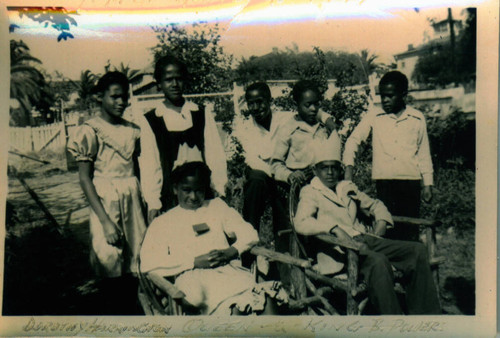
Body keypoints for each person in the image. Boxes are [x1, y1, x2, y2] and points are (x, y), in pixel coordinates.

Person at [294, 137, 441, 315]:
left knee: (417, 250)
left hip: (367, 239)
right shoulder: (310, 192)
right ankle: (393, 323)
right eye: (325, 167)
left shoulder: (346, 187)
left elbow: (376, 205)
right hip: (341, 251)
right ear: (315, 170)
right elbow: (301, 221)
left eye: (334, 167)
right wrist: (334, 228)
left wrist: (381, 223)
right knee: (378, 262)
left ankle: (426, 317)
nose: (331, 172)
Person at [140, 160, 288, 315]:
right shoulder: (163, 221)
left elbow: (249, 233)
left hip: (227, 272)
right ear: (175, 189)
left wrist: (231, 251)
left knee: (266, 301)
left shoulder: (216, 207)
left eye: (199, 190)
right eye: (187, 190)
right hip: (194, 280)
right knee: (234, 309)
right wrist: (193, 262)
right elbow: (149, 263)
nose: (193, 196)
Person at [67, 71, 147, 281]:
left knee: (137, 259)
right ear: (99, 97)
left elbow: (138, 169)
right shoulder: (90, 130)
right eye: (115, 96)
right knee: (109, 258)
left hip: (132, 196)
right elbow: (85, 178)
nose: (121, 102)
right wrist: (105, 221)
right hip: (106, 200)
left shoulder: (133, 131)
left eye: (125, 97)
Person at [343, 71, 433, 241]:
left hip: (410, 183)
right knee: (387, 226)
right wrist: (348, 169)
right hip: (385, 184)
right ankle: (390, 267)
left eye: (390, 96)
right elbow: (353, 140)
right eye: (382, 96)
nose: (385, 100)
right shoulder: (374, 116)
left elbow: (423, 153)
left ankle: (410, 265)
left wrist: (427, 183)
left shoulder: (417, 118)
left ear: (403, 95)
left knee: (410, 230)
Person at [138, 55, 228, 223]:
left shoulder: (201, 113)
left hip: (201, 193)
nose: (174, 84)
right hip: (170, 196)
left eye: (179, 78)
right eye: (168, 79)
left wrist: (219, 187)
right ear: (159, 83)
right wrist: (153, 202)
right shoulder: (151, 120)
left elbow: (215, 153)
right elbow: (151, 164)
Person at [271, 79, 341, 187]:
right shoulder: (288, 130)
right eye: (308, 105)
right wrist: (289, 175)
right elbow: (276, 164)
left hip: (323, 182)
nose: (313, 109)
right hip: (299, 184)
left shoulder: (323, 128)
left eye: (316, 104)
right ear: (296, 104)